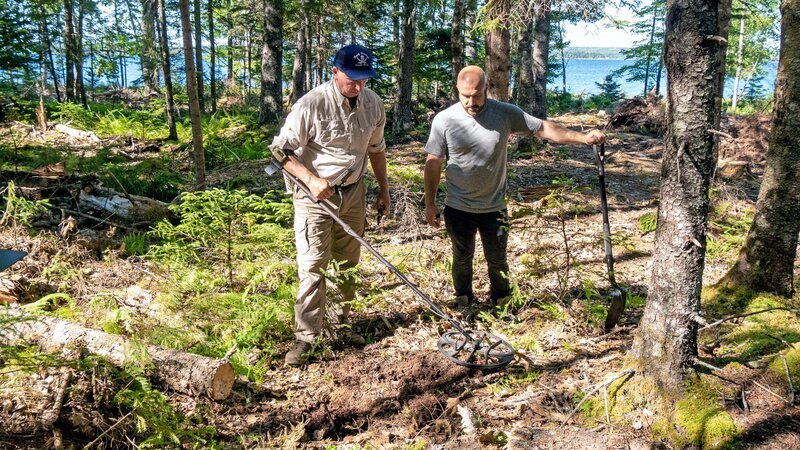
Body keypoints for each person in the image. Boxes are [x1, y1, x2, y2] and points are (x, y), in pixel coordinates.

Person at [424, 65, 605, 315]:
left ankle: (502, 304)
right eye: (465, 96)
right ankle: (464, 302)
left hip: (494, 207)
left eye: (477, 95)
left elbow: (544, 128)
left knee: (497, 260)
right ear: (457, 90)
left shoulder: (504, 114)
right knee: (462, 259)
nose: (471, 101)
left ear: (486, 88)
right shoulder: (444, 119)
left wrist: (582, 137)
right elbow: (433, 161)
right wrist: (430, 204)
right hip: (458, 207)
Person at [270, 44, 390, 366]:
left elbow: (376, 149)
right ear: (334, 71)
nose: (359, 86)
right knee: (313, 265)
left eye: (364, 79)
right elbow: (280, 151)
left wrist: (383, 189)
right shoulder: (312, 104)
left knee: (348, 261)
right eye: (352, 79)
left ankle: (341, 325)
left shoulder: (373, 104)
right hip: (314, 197)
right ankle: (306, 338)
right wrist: (310, 180)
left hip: (353, 192)